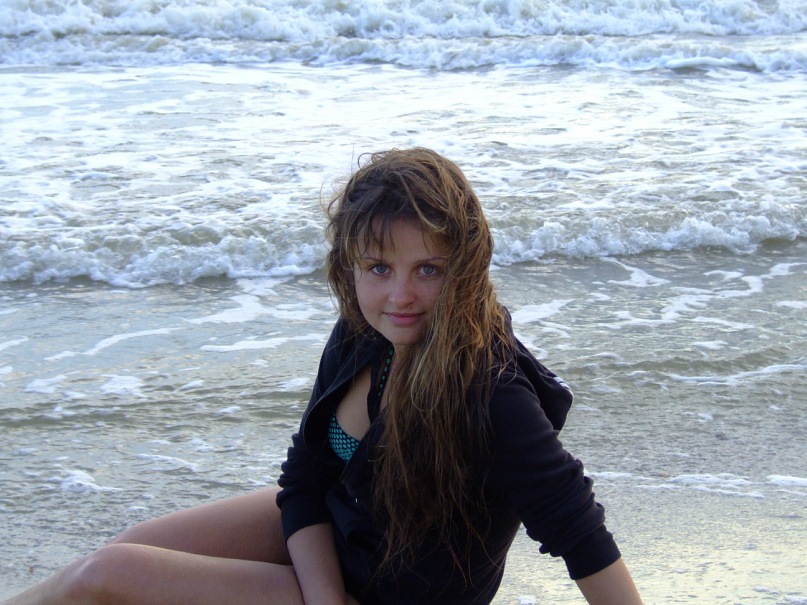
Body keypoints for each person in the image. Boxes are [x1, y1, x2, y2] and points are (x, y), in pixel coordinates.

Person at [4, 148, 642, 605]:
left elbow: (578, 530)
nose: (401, 295)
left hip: (388, 591)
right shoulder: (362, 336)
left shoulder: (490, 391)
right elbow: (305, 478)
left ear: (466, 267)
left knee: (107, 577)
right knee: (133, 546)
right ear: (350, 266)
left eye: (428, 269)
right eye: (379, 268)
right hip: (341, 545)